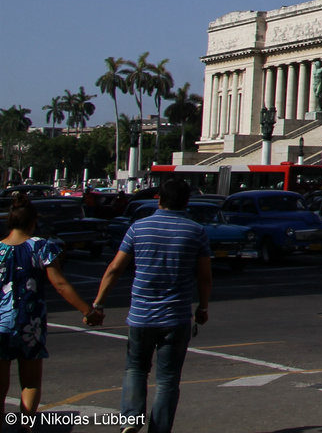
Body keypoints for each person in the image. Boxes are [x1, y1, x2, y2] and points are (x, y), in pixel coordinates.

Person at [93, 178, 211, 433]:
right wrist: (202, 307)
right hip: (177, 316)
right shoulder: (196, 231)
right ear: (187, 202)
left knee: (136, 368)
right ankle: (159, 429)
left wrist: (98, 304)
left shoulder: (139, 228)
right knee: (168, 380)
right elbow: (204, 276)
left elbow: (115, 268)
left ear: (159, 199)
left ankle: (132, 418)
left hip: (141, 315)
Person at [0, 193, 101, 417]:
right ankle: (26, 426)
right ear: (33, 221)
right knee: (31, 382)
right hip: (30, 323)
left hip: (0, 324)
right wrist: (88, 311)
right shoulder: (41, 247)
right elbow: (60, 285)